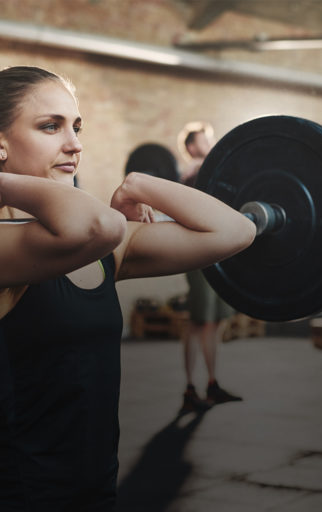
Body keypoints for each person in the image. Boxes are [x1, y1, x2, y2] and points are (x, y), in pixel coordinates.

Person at [0, 66, 256, 511]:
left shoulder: (102, 251)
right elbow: (98, 223)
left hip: (96, 486)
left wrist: (140, 184)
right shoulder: (12, 246)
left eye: (76, 127)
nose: (74, 144)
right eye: (50, 126)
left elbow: (234, 231)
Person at [176, 122, 243, 414]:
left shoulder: (216, 168)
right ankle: (190, 388)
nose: (211, 141)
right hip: (197, 252)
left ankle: (212, 384)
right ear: (192, 146)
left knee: (214, 322)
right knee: (199, 321)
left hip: (217, 252)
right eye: (206, 138)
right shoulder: (192, 170)